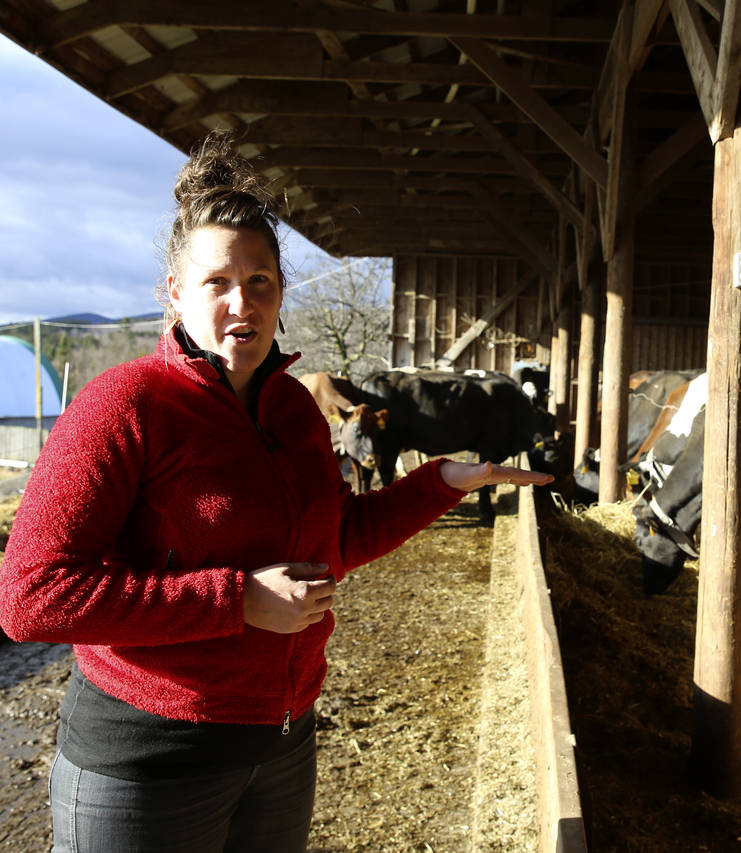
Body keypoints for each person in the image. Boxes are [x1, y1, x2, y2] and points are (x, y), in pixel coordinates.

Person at [0, 131, 552, 853]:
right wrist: (235, 600)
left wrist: (439, 483)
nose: (242, 301)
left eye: (261, 280)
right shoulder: (124, 405)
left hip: (283, 745)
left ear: (281, 292)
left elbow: (335, 542)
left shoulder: (292, 407)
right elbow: (31, 595)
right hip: (150, 763)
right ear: (174, 293)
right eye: (217, 281)